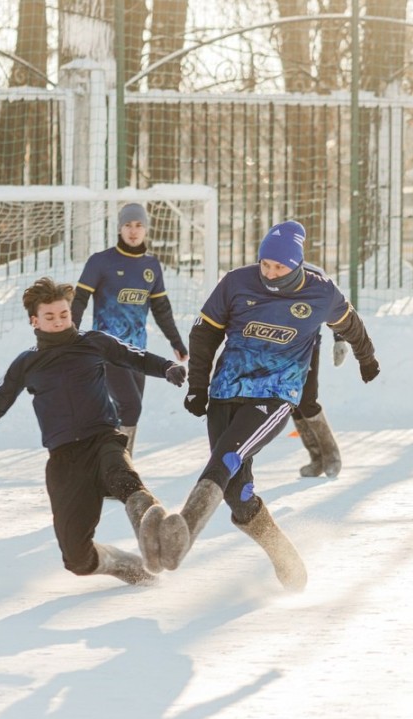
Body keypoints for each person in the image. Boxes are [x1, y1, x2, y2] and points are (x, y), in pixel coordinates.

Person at [156, 220, 380, 591]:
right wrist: (198, 386)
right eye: (266, 265)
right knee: (236, 494)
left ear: (297, 265)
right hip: (226, 390)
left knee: (226, 459)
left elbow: (351, 324)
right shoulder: (236, 283)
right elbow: (205, 332)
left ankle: (184, 531)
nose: (271, 273)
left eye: (280, 267)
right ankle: (282, 552)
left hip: (275, 394)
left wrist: (366, 357)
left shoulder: (321, 292)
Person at [0, 277, 188, 586]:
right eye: (50, 316)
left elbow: (134, 356)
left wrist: (166, 367)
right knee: (77, 560)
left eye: (64, 314)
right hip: (64, 460)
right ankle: (126, 565)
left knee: (122, 477)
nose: (59, 321)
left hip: (103, 440)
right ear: (34, 320)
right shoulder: (27, 363)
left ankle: (152, 530)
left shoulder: (94, 342)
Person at [71, 203, 188, 456]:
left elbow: (161, 308)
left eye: (138, 225)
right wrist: (70, 335)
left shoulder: (151, 266)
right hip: (107, 349)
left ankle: (107, 464)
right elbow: (79, 300)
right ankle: (121, 471)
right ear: (119, 228)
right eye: (128, 225)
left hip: (137, 353)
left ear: (146, 229)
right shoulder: (101, 262)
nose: (133, 231)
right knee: (131, 406)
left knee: (124, 410)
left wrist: (176, 342)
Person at [292, 326, 347, 478]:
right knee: (290, 401)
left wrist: (339, 338)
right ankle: (317, 458)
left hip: (307, 343)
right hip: (277, 345)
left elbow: (332, 304)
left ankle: (331, 455)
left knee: (306, 400)